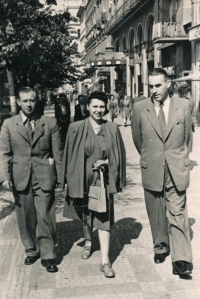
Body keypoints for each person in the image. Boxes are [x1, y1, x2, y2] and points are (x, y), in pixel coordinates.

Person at [131, 68, 193, 276]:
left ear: (168, 84)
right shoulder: (140, 108)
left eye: (158, 85)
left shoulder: (184, 106)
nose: (154, 90)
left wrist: (178, 159)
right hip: (153, 167)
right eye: (151, 86)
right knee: (156, 212)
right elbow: (138, 140)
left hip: (176, 167)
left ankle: (181, 259)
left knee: (177, 212)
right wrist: (152, 157)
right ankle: (161, 246)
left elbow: (187, 140)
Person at [61, 90, 126, 278]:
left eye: (101, 106)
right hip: (82, 179)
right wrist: (66, 179)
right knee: (85, 214)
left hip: (103, 180)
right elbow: (68, 154)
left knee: (103, 217)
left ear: (106, 108)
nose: (98, 110)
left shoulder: (112, 128)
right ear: (87, 107)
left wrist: (107, 163)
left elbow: (118, 156)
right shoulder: (75, 127)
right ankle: (89, 242)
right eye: (94, 106)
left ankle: (105, 261)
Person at [0, 87, 62, 273]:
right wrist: (4, 177)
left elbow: (57, 153)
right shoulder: (9, 124)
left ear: (37, 101)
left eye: (32, 100)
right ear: (18, 102)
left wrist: (60, 176)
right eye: (25, 101)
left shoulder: (49, 123)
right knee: (26, 216)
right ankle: (31, 249)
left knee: (45, 216)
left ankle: (48, 254)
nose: (28, 104)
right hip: (20, 177)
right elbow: (3, 154)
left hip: (44, 176)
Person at [178, 84, 197, 152]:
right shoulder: (191, 101)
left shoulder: (178, 101)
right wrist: (194, 124)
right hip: (188, 124)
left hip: (180, 124)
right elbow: (193, 114)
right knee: (187, 141)